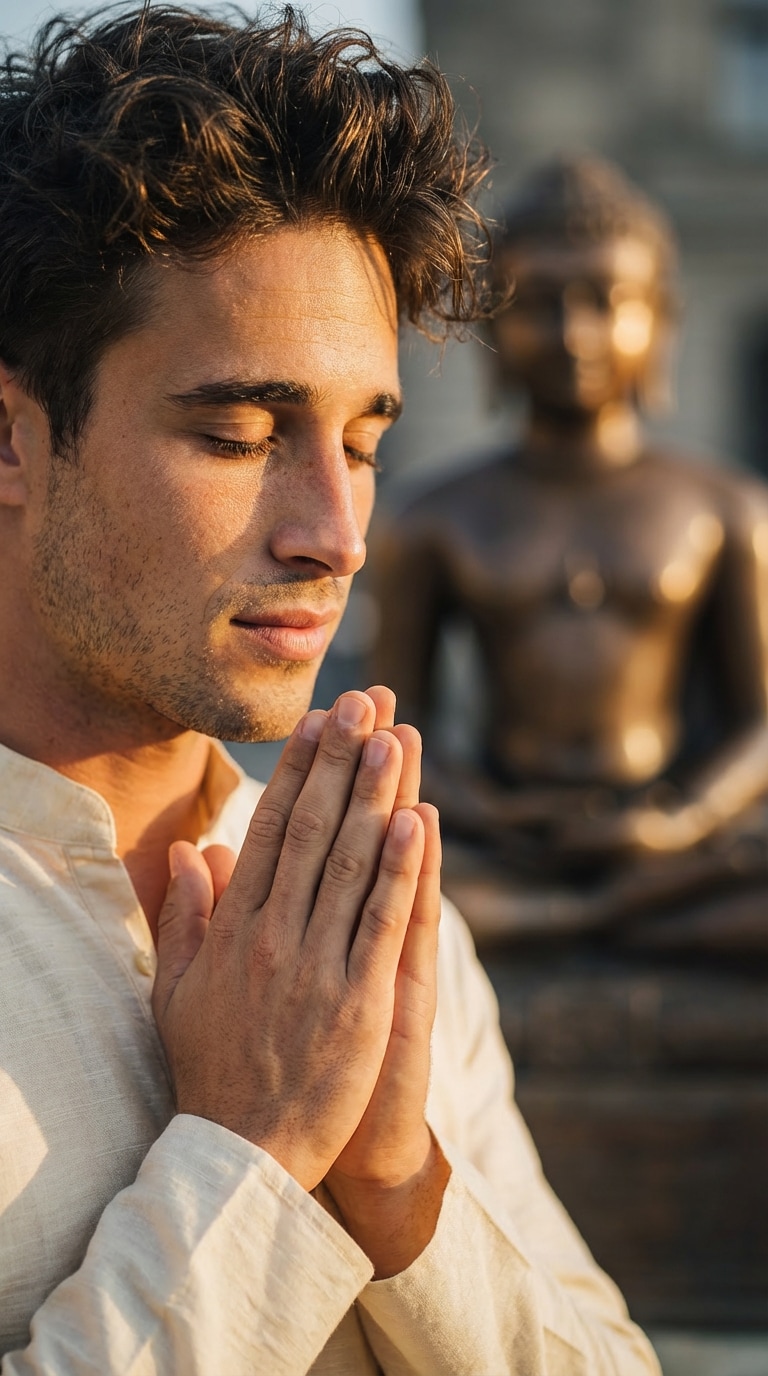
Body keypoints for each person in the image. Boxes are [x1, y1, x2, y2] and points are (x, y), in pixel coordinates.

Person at [0, 10, 659, 1373]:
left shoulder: (361, 908)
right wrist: (250, 1153)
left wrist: (397, 1187)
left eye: (363, 444)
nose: (338, 532)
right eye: (239, 434)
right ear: (13, 440)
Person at [372, 155, 768, 951]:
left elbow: (761, 720)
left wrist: (681, 818)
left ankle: (575, 921)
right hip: (501, 839)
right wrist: (484, 811)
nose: (574, 333)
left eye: (605, 301)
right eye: (540, 304)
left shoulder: (726, 508)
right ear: (490, 326)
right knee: (379, 886)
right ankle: (604, 919)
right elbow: (394, 718)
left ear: (660, 320)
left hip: (671, 837)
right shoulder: (433, 517)